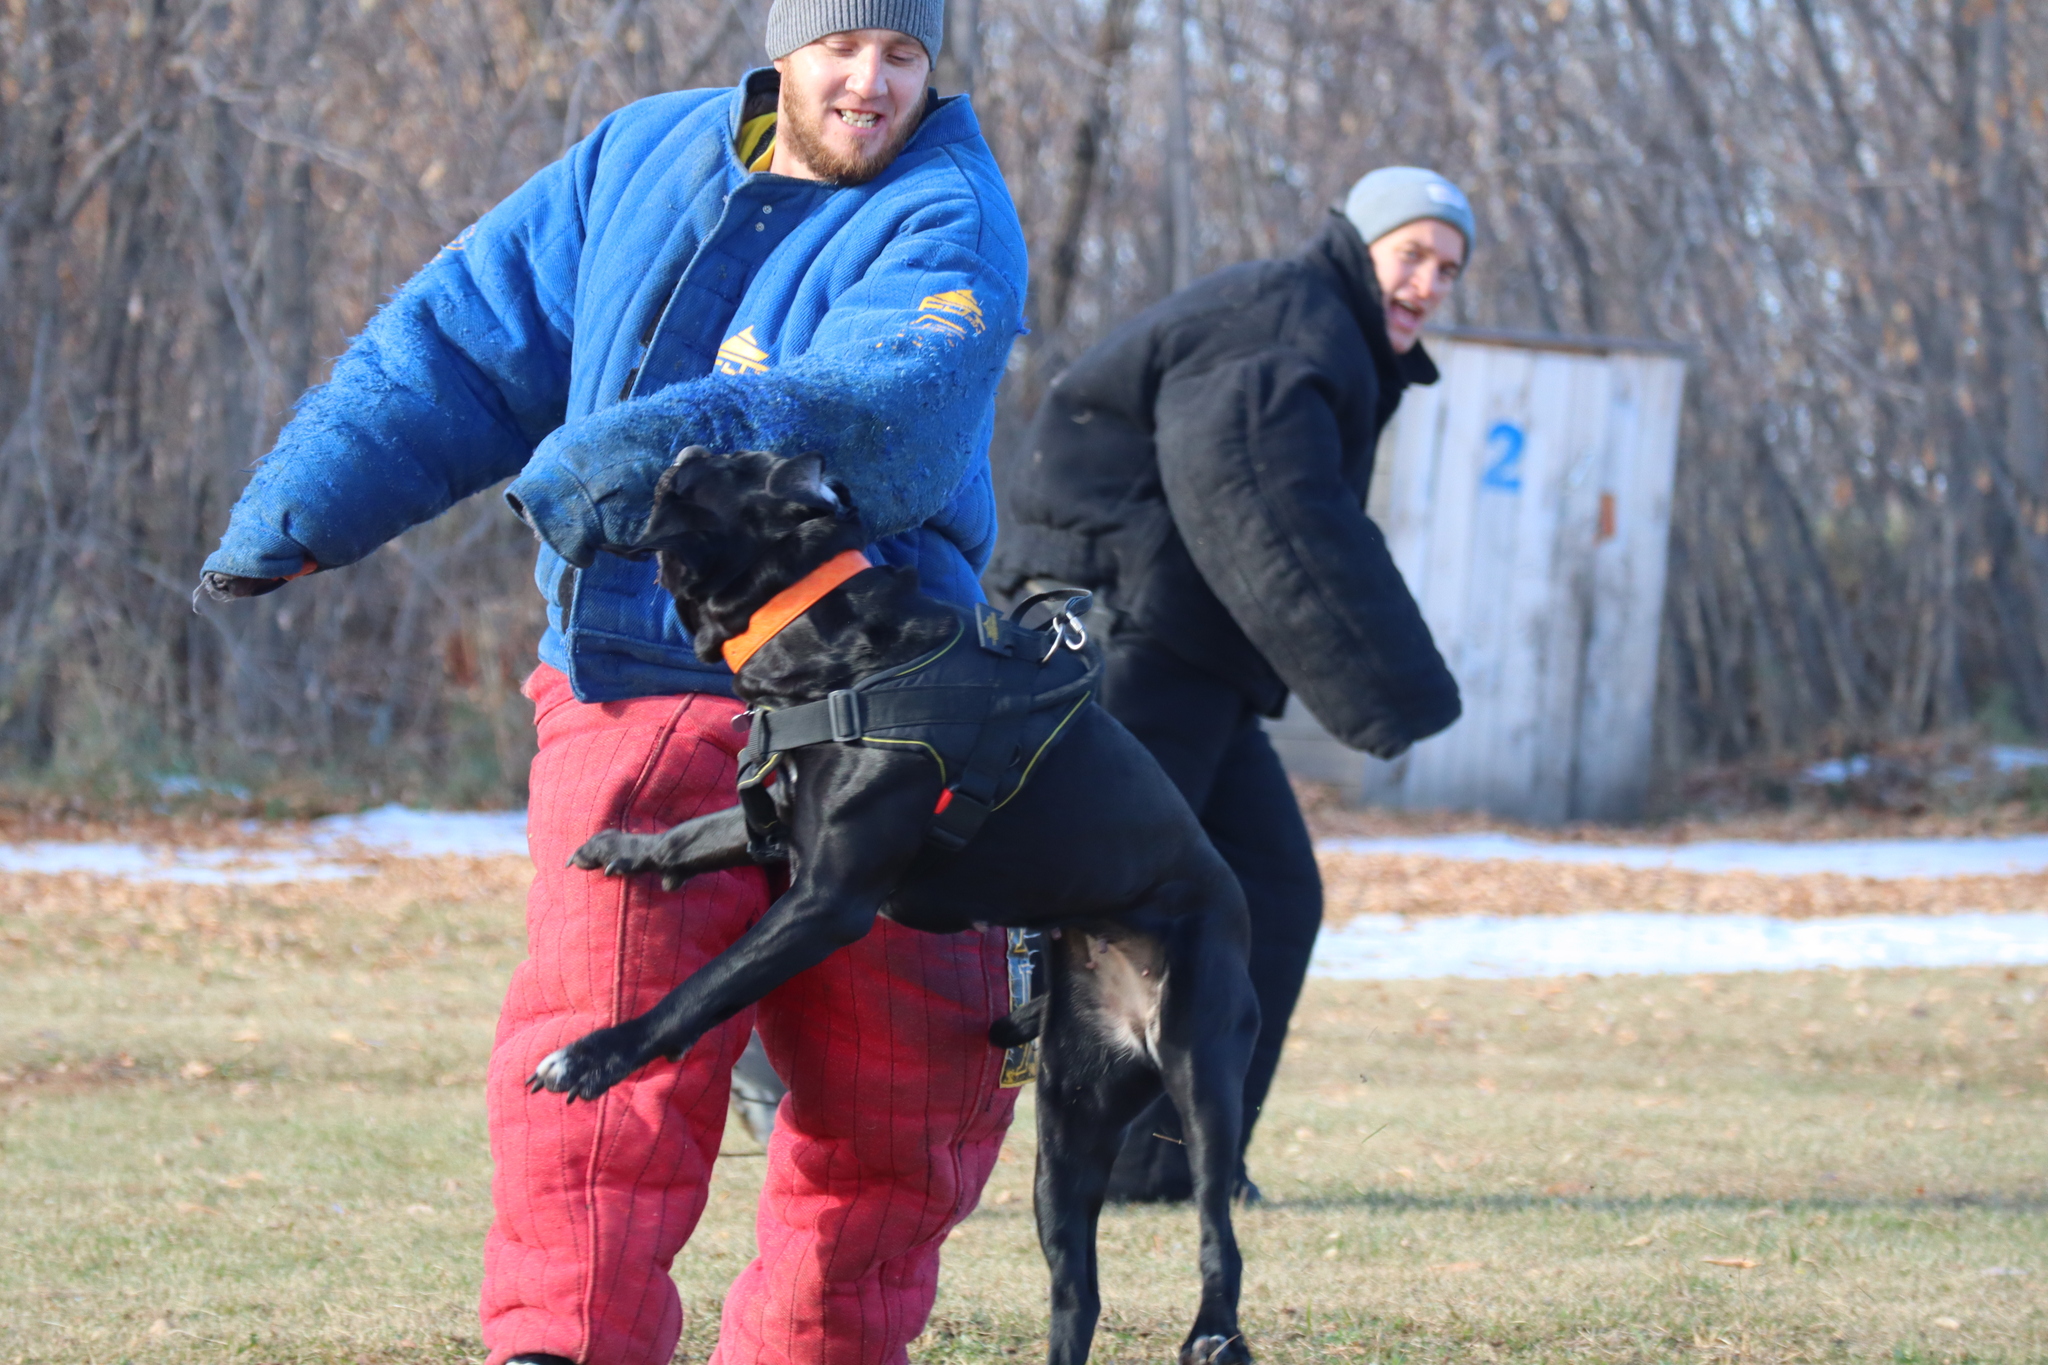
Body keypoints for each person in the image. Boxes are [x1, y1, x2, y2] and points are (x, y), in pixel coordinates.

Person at [198, 5, 1030, 1362]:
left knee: (911, 1091)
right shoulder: (635, 158)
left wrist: (631, 459)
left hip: (888, 703)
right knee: (599, 1063)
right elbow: (461, 341)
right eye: (840, 49)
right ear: (784, 50)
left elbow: (887, 408)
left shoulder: (951, 212)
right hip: (641, 686)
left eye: (903, 54)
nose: (871, 83)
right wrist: (305, 506)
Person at [992, 166, 1471, 1202]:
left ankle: (1169, 1166)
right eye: (1412, 255)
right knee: (1128, 908)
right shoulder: (1286, 318)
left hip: (1192, 654)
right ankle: (1103, 1157)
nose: (1428, 281)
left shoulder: (1326, 333)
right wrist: (1392, 687)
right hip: (1125, 632)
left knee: (1267, 892)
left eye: (1446, 267)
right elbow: (1254, 492)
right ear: (1358, 243)